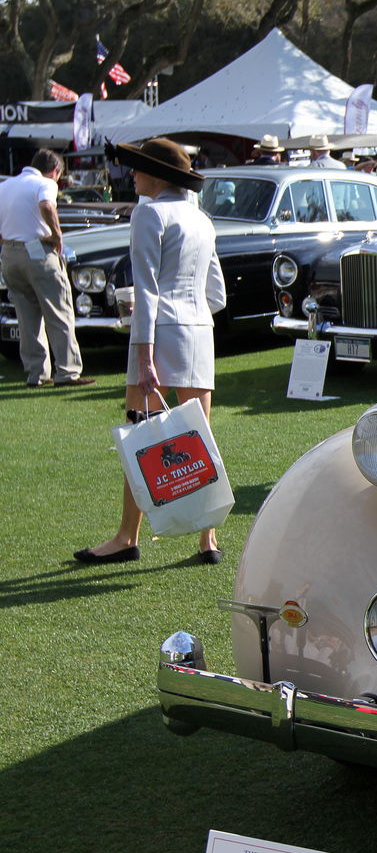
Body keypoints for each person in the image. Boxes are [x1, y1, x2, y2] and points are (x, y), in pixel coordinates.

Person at [77, 138, 226, 566]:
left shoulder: (148, 212)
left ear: (158, 175)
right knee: (199, 440)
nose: (132, 174)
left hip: (160, 334)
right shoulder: (201, 218)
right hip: (200, 329)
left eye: (138, 168)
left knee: (141, 439)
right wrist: (190, 308)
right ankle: (207, 540)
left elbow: (146, 291)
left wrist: (144, 358)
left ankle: (127, 536)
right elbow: (215, 293)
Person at [0, 149, 94, 388]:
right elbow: (46, 206)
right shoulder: (45, 184)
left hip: (10, 254)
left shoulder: (6, 185)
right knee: (59, 312)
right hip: (37, 251)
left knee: (26, 317)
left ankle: (36, 373)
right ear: (55, 171)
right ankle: (67, 371)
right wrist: (57, 234)